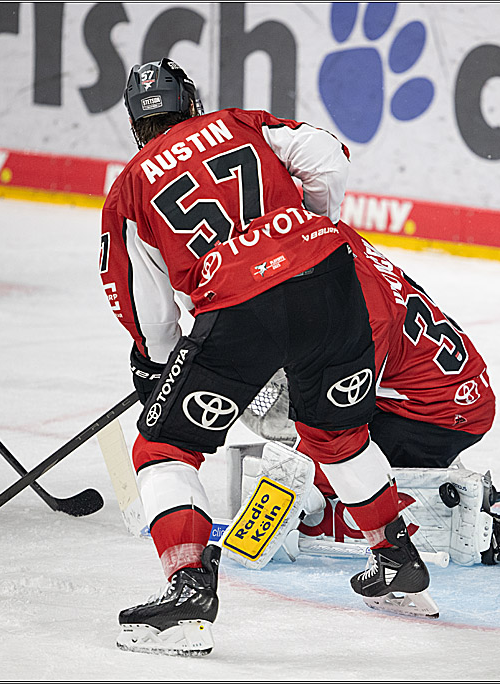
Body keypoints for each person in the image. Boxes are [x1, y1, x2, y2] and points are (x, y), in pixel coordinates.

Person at [99, 58, 435, 657]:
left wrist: (156, 368)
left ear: (134, 122)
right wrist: (314, 227)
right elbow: (328, 156)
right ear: (193, 103)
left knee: (162, 446)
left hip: (239, 308)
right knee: (338, 435)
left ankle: (187, 590)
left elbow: (144, 303)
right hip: (331, 284)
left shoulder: (129, 187)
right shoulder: (239, 124)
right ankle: (397, 559)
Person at [240, 226, 500, 566]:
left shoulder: (366, 319)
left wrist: (292, 489)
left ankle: (468, 526)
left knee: (335, 477)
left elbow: (338, 424)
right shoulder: (331, 237)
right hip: (432, 392)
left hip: (441, 416)